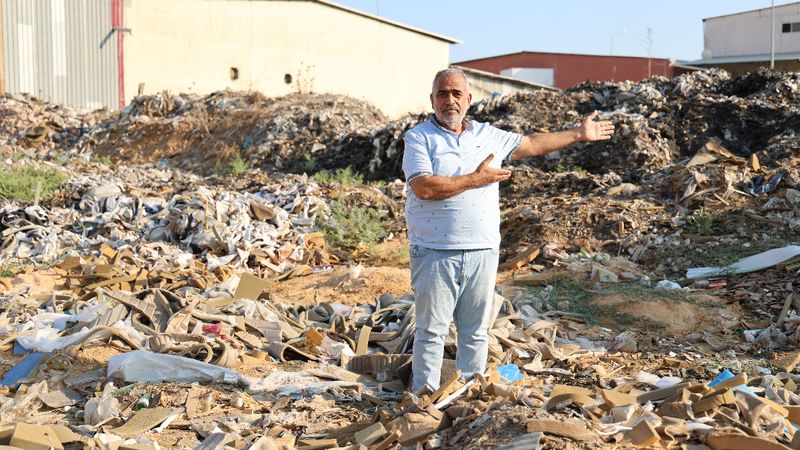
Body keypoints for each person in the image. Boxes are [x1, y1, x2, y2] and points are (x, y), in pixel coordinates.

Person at [402, 68, 615, 391]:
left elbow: (530, 143)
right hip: (434, 251)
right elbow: (424, 188)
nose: (450, 101)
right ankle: (423, 400)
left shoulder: (489, 135)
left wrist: (578, 133)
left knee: (475, 331)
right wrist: (477, 179)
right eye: (442, 94)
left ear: (469, 100)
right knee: (432, 332)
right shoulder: (419, 137)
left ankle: (467, 396)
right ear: (432, 99)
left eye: (456, 94)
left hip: (483, 251)